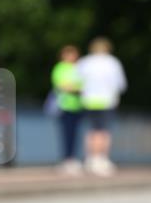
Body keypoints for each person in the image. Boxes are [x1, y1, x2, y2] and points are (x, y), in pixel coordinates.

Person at [77, 38, 127, 176]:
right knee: (104, 131)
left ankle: (90, 158)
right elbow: (121, 84)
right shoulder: (113, 62)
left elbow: (77, 81)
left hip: (88, 100)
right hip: (106, 100)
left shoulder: (84, 62)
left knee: (92, 130)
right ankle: (102, 159)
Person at [50, 45, 83, 174]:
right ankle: (66, 159)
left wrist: (74, 87)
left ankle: (73, 158)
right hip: (64, 106)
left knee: (75, 133)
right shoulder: (60, 68)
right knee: (66, 133)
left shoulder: (79, 68)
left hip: (78, 105)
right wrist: (76, 88)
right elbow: (62, 86)